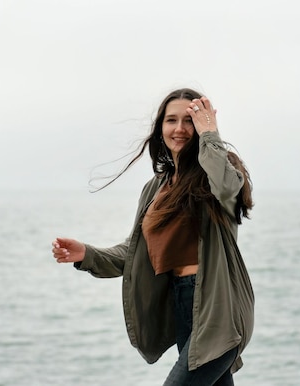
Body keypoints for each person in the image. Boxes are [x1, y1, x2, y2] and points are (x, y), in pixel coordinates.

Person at [51, 88, 254, 385]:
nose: (180, 128)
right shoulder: (155, 188)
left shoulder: (220, 170)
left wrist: (211, 134)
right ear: (161, 128)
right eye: (171, 120)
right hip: (183, 304)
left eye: (190, 120)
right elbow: (136, 252)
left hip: (218, 310)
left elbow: (226, 188)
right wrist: (87, 254)